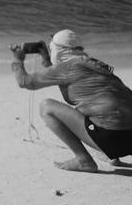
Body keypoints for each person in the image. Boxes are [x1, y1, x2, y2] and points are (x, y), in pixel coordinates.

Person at [10, 29, 132, 172]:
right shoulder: (94, 65)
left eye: (52, 48)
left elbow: (25, 81)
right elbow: (61, 73)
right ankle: (113, 157)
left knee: (46, 107)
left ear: (58, 50)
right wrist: (46, 58)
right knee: (104, 103)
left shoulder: (68, 67)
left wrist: (17, 59)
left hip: (111, 138)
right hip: (129, 140)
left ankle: (83, 160)